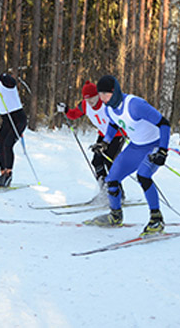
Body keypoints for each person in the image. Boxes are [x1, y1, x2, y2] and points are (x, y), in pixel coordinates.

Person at [85, 75, 171, 237]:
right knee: (112, 179)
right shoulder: (109, 108)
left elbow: (164, 123)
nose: (102, 98)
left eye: (106, 94)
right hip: (136, 146)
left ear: (115, 91)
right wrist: (105, 142)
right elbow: (113, 124)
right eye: (100, 94)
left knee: (143, 176)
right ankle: (115, 216)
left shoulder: (134, 105)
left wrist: (163, 150)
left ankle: (157, 220)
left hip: (154, 144)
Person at [57, 81, 126, 200]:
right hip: (103, 134)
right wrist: (66, 109)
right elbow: (74, 114)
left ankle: (118, 193)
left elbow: (121, 114)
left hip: (118, 134)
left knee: (109, 162)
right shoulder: (85, 105)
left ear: (98, 95)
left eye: (93, 98)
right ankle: (105, 190)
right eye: (87, 99)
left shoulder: (106, 103)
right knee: (97, 162)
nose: (90, 102)